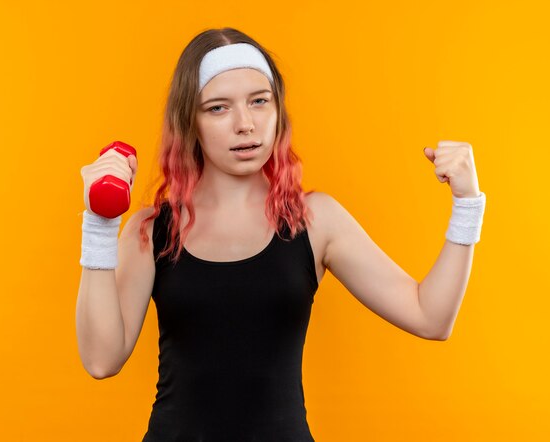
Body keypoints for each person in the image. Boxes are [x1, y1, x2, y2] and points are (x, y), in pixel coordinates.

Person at [76, 27, 486, 441]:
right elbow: (101, 359)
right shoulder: (152, 229)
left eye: (259, 101)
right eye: (218, 108)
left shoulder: (315, 220)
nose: (246, 124)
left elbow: (429, 317)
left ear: (278, 111)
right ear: (190, 122)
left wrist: (467, 205)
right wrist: (98, 226)